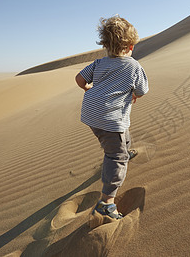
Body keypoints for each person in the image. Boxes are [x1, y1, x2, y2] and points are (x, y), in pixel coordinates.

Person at [75, 15, 149, 225]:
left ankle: (124, 151)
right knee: (115, 155)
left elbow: (80, 79)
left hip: (91, 114)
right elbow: (142, 90)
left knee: (118, 139)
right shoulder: (134, 66)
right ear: (131, 46)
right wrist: (134, 94)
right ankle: (106, 203)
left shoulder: (98, 63)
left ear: (105, 45)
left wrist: (88, 87)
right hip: (110, 118)